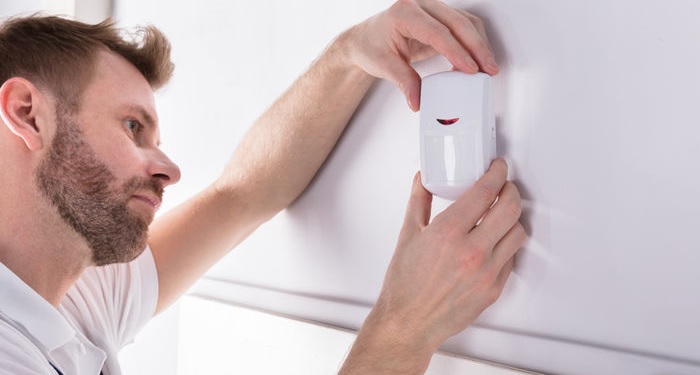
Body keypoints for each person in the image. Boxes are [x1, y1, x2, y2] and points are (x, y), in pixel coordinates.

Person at [0, 1, 526, 374]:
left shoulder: (75, 298)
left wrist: (350, 54)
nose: (168, 169)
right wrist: (403, 330)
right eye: (133, 127)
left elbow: (244, 194)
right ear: (28, 114)